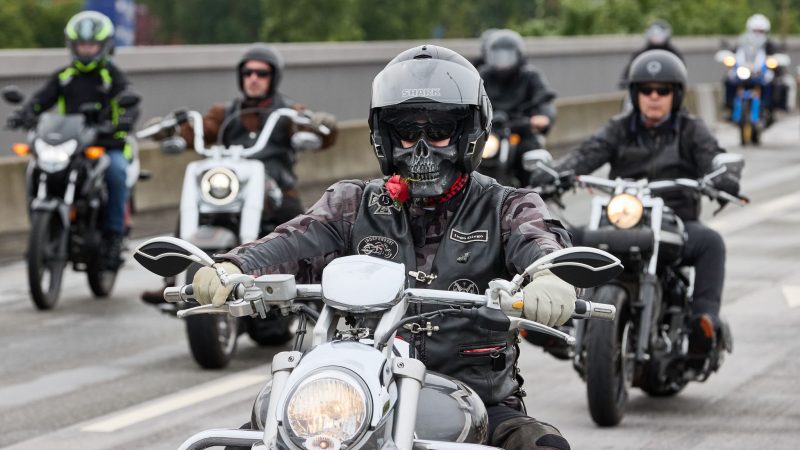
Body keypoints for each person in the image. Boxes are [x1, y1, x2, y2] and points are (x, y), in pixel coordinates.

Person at [192, 45, 578, 450]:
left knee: (544, 446)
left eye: (439, 131)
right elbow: (292, 239)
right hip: (357, 391)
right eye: (408, 133)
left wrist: (551, 276)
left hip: (477, 397)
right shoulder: (354, 203)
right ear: (386, 138)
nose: (422, 149)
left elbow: (541, 240)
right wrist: (233, 267)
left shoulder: (506, 205)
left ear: (469, 134)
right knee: (245, 439)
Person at [530, 49, 741, 362]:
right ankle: (549, 315)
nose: (654, 96)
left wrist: (722, 174)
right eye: (646, 89)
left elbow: (711, 154)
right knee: (563, 239)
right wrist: (553, 173)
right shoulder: (619, 127)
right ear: (635, 93)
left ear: (676, 93)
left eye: (663, 90)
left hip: (676, 220)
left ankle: (703, 322)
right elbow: (587, 154)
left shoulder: (691, 129)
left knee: (711, 243)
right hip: (621, 220)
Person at [141, 43, 337, 303]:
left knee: (299, 226)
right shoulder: (225, 112)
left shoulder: (288, 112)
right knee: (193, 209)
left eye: (261, 73)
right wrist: (170, 131)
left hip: (275, 188)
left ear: (273, 77)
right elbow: (201, 130)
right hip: (234, 186)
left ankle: (310, 290)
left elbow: (317, 132)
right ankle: (174, 279)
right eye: (248, 73)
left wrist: (322, 127)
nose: (253, 79)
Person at [8, 11, 139, 270]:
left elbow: (130, 102)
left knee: (115, 172)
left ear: (104, 46)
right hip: (70, 145)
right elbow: (39, 102)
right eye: (81, 45)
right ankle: (40, 235)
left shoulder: (113, 76)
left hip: (105, 145)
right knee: (34, 169)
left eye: (91, 45)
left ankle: (113, 237)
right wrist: (23, 115)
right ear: (71, 46)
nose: (86, 50)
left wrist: (123, 121)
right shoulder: (64, 77)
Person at [477, 29, 557, 186]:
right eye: (497, 56)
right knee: (470, 157)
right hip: (491, 133)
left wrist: (544, 117)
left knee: (532, 157)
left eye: (507, 56)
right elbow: (469, 99)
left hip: (522, 131)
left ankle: (535, 195)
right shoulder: (483, 75)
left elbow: (545, 101)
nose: (502, 61)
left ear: (519, 55)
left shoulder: (530, 76)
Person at [723, 14, 786, 117]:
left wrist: (776, 60)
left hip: (761, 72)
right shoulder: (742, 43)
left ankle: (771, 108)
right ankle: (728, 106)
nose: (757, 34)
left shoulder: (770, 44)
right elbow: (733, 53)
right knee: (728, 79)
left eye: (760, 31)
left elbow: (778, 55)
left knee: (776, 82)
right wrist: (728, 57)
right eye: (755, 31)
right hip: (745, 71)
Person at [619, 20, 684, 89]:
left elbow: (682, 77)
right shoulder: (639, 55)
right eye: (653, 34)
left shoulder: (674, 55)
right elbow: (627, 76)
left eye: (660, 34)